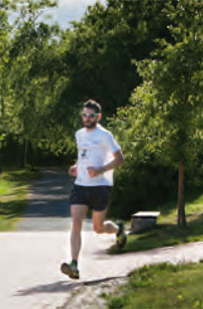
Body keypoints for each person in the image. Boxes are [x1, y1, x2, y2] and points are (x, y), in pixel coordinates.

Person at [60, 99, 127, 280]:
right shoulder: (79, 134)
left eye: (91, 115)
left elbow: (120, 159)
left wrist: (100, 170)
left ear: (98, 117)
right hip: (81, 185)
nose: (87, 118)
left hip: (101, 186)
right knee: (76, 223)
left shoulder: (105, 135)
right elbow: (83, 157)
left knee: (98, 228)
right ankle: (74, 265)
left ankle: (118, 230)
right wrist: (76, 167)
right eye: (84, 115)